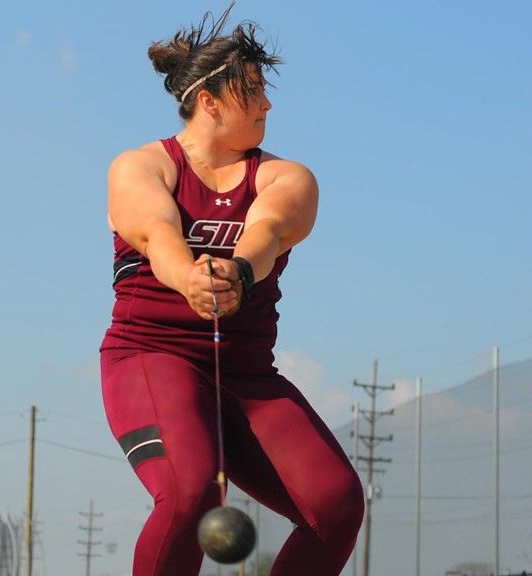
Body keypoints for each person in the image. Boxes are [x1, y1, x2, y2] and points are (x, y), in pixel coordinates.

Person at [100, 7, 364, 575]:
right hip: (151, 358)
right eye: (254, 90)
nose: (268, 104)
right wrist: (189, 275)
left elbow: (267, 232)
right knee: (192, 496)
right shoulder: (140, 166)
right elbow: (158, 233)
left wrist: (239, 273)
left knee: (337, 505)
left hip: (244, 374)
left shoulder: (286, 177)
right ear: (210, 101)